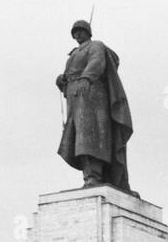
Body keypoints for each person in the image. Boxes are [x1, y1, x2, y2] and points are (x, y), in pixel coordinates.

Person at [56, 18, 133, 192]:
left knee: (91, 136)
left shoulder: (95, 46)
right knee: (78, 137)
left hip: (92, 95)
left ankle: (95, 175)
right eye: (74, 32)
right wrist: (62, 80)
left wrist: (86, 77)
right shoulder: (74, 54)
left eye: (80, 30)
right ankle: (89, 176)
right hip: (76, 97)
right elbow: (69, 75)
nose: (77, 34)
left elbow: (97, 62)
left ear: (88, 32)